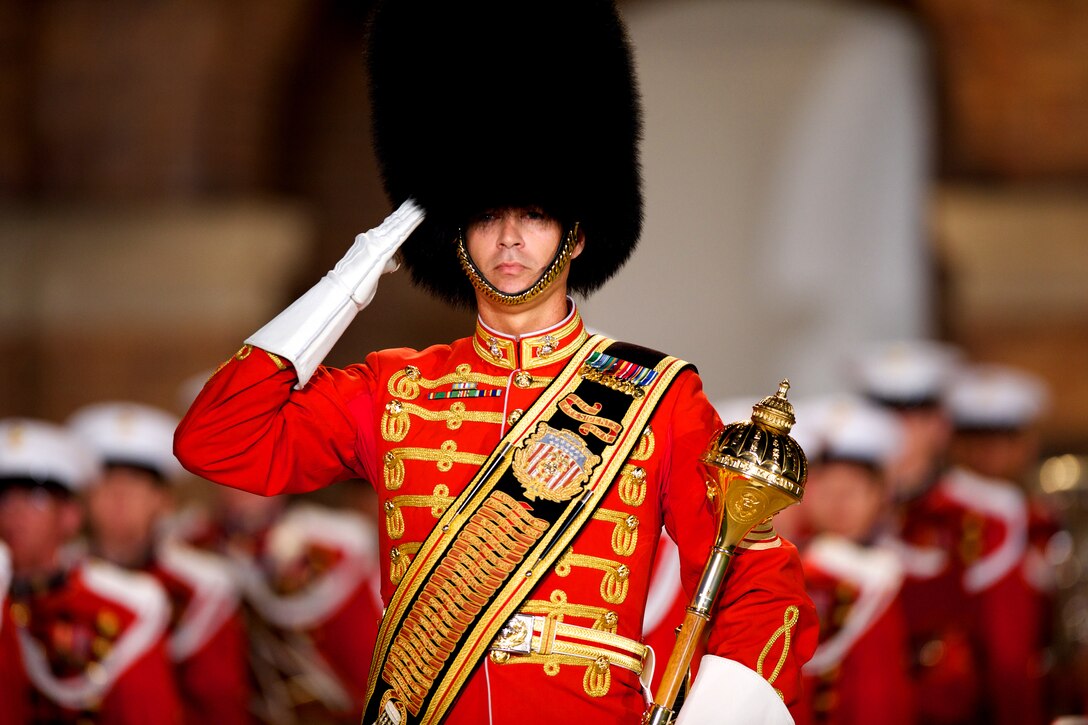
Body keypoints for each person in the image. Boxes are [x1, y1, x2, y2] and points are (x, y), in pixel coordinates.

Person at [175, 2, 816, 724]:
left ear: (575, 235)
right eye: (484, 214)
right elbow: (218, 438)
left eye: (536, 214)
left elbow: (754, 572)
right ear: (454, 232)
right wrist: (352, 276)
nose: (509, 238)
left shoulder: (655, 396)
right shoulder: (393, 388)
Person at [68, 401, 253, 725]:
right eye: (107, 480)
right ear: (85, 497)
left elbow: (219, 704)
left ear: (163, 500)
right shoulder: (60, 577)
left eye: (136, 482)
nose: (119, 495)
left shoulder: (202, 589)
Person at [0, 418, 181, 724]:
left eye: (36, 498)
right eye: (3, 497)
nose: (14, 514)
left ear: (69, 517)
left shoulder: (125, 609)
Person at [793, 396, 914, 725]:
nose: (838, 505)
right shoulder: (793, 573)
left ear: (880, 496)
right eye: (827, 489)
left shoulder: (899, 570)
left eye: (852, 491)